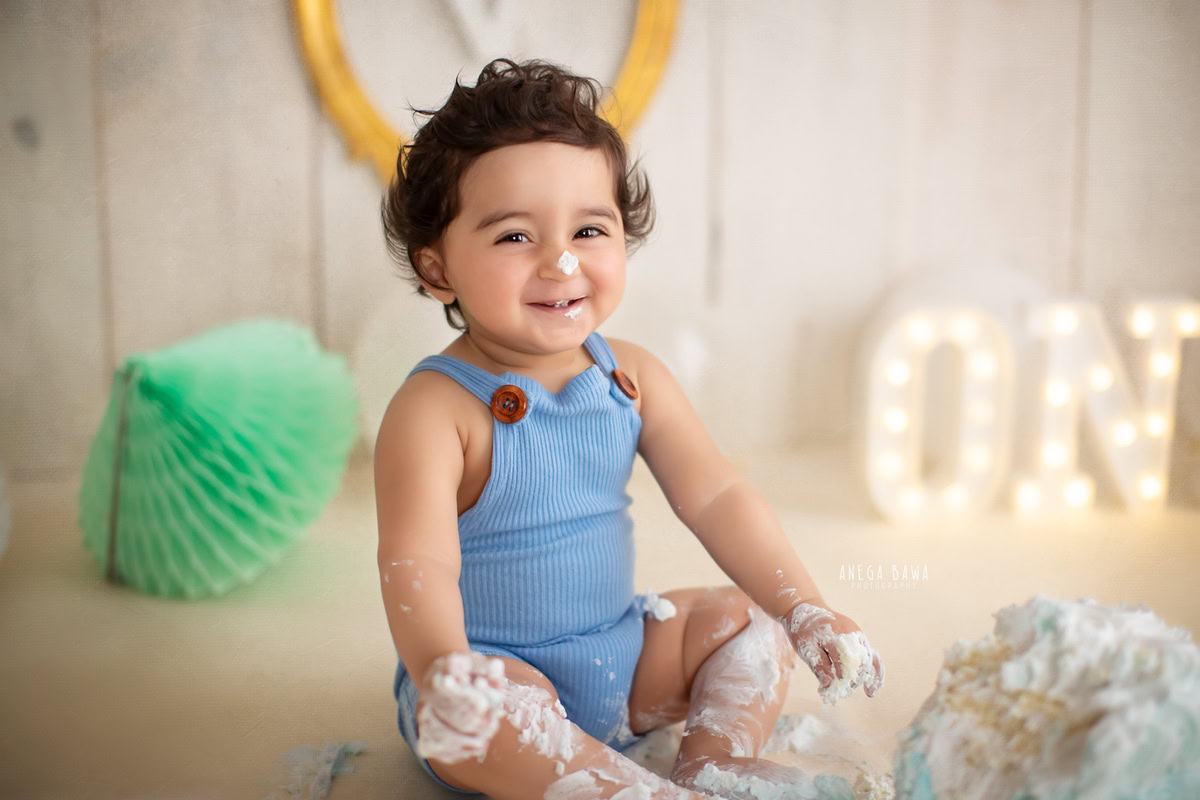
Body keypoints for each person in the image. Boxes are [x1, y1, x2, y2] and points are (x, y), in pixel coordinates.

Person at [374, 58, 884, 800]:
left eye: (588, 228)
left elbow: (714, 497)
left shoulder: (631, 376)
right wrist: (445, 669)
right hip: (496, 675)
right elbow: (418, 563)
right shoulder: (434, 407)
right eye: (515, 237)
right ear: (438, 268)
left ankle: (713, 758)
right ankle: (628, 790)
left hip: (622, 661)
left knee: (749, 620)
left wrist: (804, 604)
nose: (561, 259)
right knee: (486, 719)